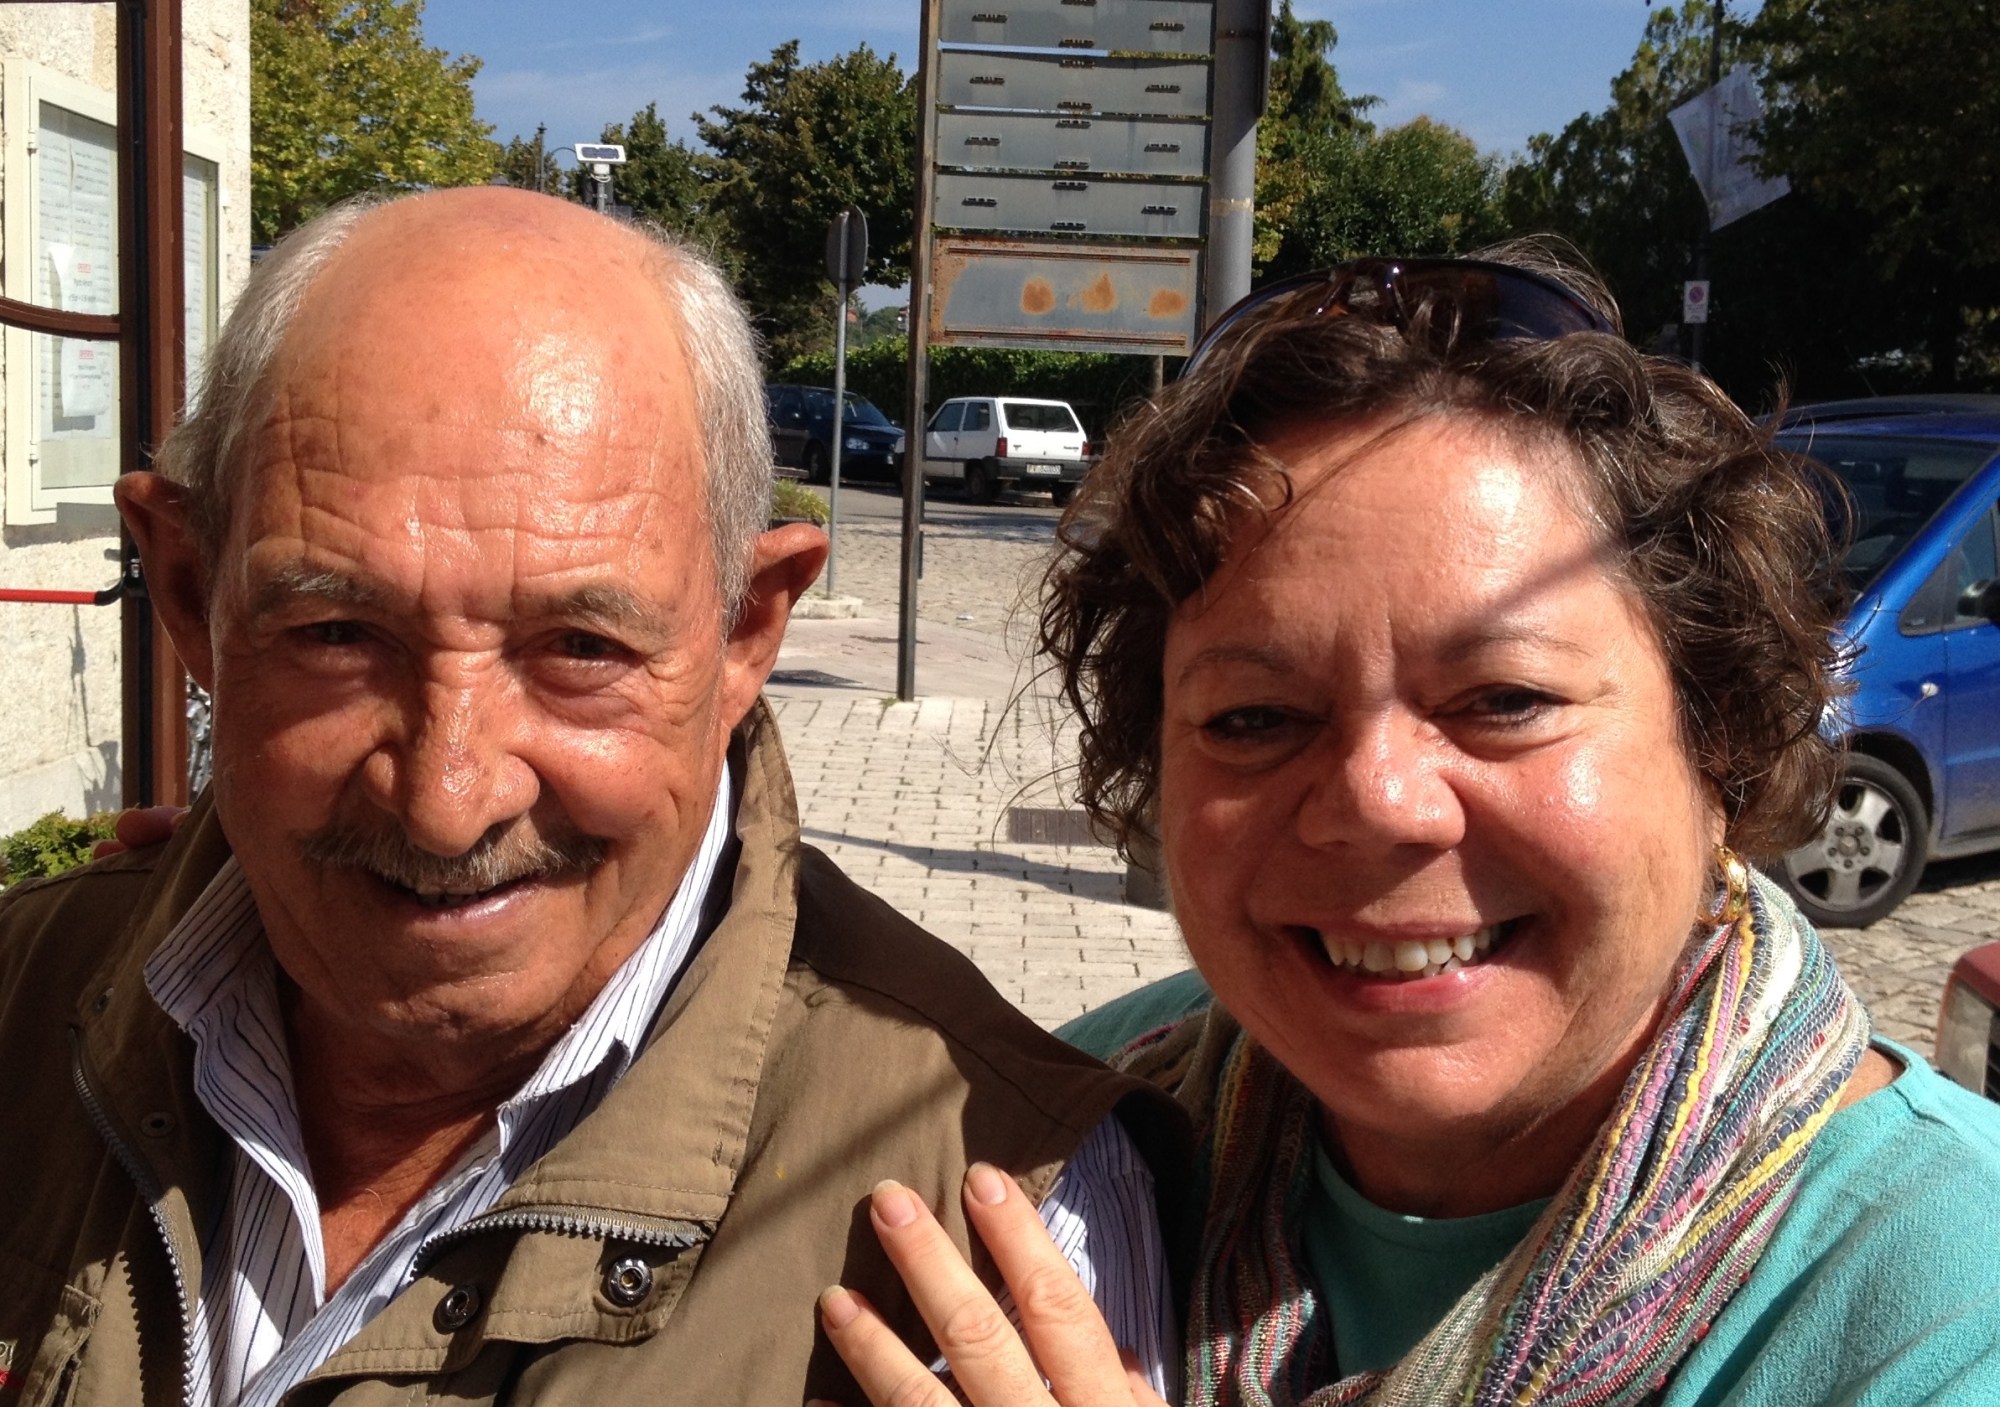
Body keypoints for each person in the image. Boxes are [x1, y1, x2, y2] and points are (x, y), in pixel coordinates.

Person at [0, 188, 1185, 1405]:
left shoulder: (1011, 1219)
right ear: (189, 595)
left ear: (745, 634)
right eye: (338, 634)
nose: (447, 800)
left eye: (579, 650)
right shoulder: (22, 996)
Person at [817, 250, 2000, 1406]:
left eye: (1504, 700)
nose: (1374, 804)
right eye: (1254, 717)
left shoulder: (1951, 1304)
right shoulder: (1070, 1117)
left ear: (1719, 741)